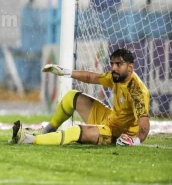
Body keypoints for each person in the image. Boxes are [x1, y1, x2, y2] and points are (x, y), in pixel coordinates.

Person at [11, 48, 150, 146]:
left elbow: (144, 127)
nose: (113, 67)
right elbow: (91, 77)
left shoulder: (138, 92)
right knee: (72, 96)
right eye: (112, 63)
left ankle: (28, 140)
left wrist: (134, 142)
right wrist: (65, 72)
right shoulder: (116, 77)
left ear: (130, 67)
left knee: (76, 130)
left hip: (116, 133)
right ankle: (46, 130)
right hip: (109, 118)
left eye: (118, 64)